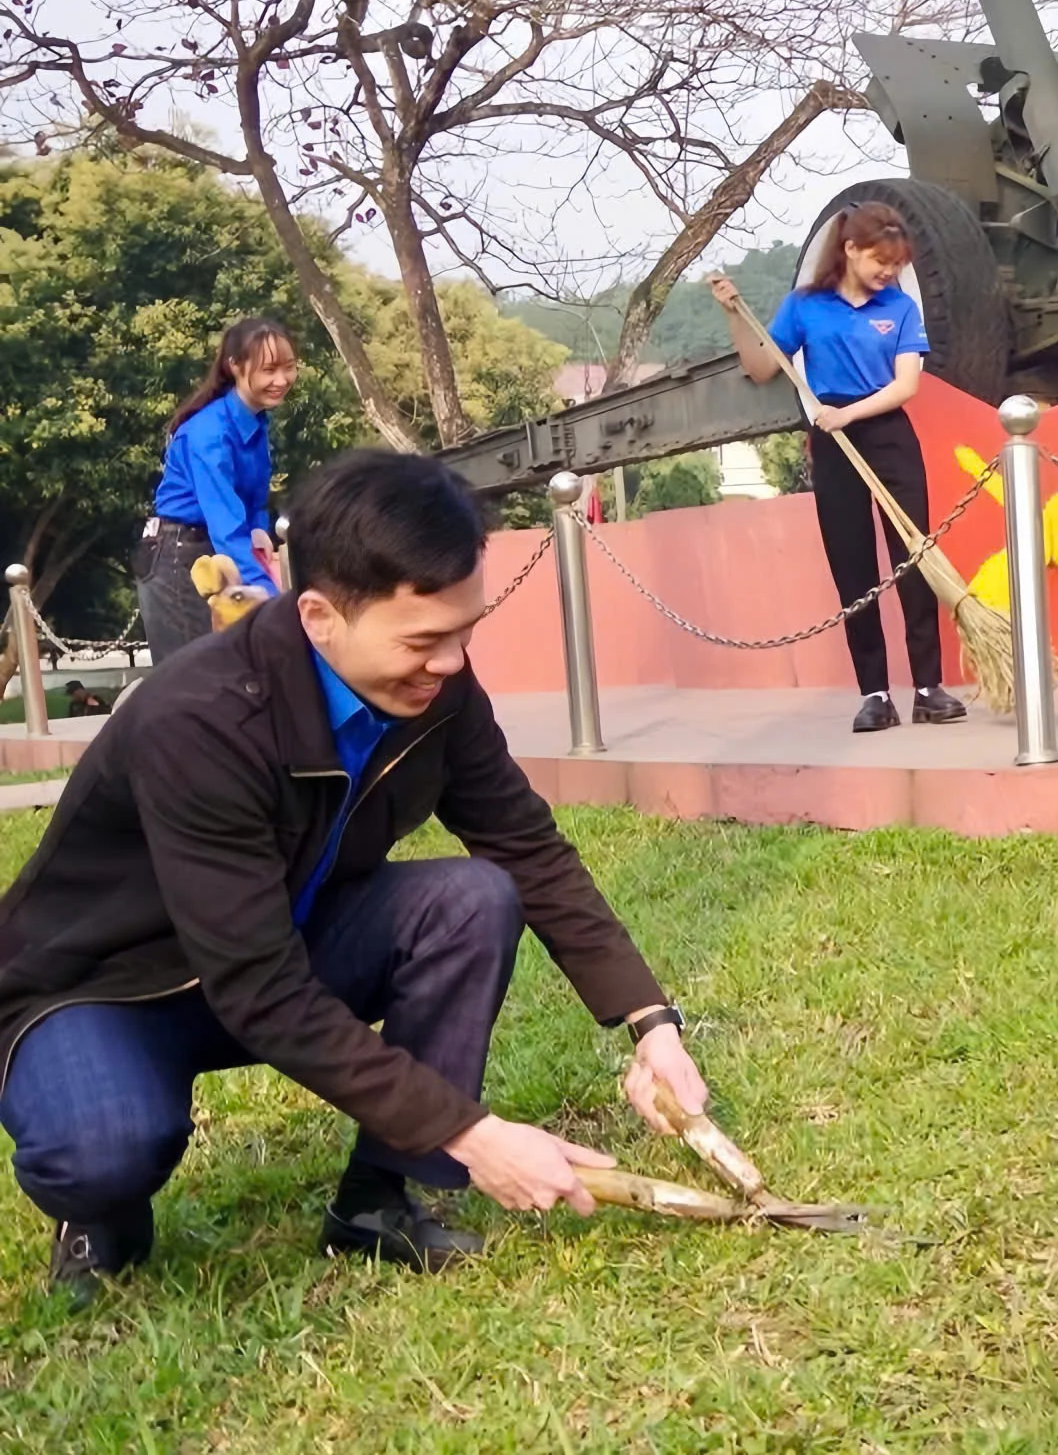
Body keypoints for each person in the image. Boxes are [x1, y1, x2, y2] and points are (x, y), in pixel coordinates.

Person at [0, 450, 712, 1306]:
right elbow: (259, 990)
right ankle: (100, 1213)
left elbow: (526, 846)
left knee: (473, 899)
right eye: (423, 640)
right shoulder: (200, 721)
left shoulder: (436, 689)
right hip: (107, 987)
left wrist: (650, 1022)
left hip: (281, 948)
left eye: (464, 633)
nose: (450, 662)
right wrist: (474, 1134)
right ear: (318, 615)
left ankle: (378, 1202)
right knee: (101, 1149)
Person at [713, 204, 966, 734]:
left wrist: (846, 413)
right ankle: (874, 693)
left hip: (886, 434)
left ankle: (927, 687)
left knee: (912, 559)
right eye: (881, 261)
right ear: (850, 250)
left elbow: (906, 385)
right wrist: (735, 314)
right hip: (832, 445)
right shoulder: (804, 307)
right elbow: (760, 369)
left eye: (896, 264)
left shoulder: (898, 309)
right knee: (853, 568)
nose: (889, 273)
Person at [135, 317, 299, 667]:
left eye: (289, 367)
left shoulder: (255, 420)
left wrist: (260, 531)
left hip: (216, 549)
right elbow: (226, 525)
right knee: (194, 684)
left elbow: (251, 500)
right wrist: (273, 602)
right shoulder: (209, 432)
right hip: (181, 557)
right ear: (235, 366)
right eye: (269, 369)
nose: (281, 380)